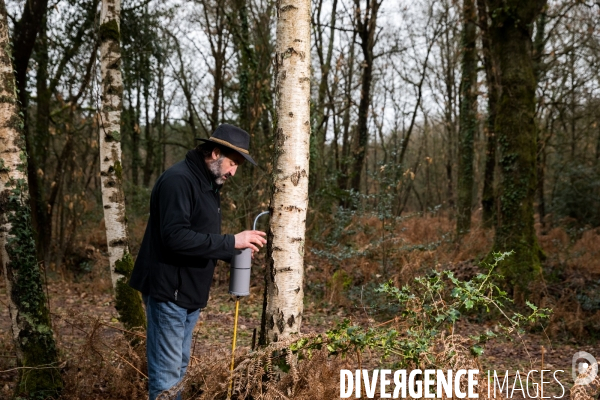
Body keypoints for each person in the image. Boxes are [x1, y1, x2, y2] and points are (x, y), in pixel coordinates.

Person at [129, 124, 267, 400]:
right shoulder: (178, 181)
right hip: (169, 292)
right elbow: (175, 237)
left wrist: (233, 251)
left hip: (189, 294)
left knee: (178, 369)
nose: (233, 172)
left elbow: (200, 237)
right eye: (232, 162)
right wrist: (230, 242)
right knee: (167, 378)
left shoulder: (208, 184)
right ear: (215, 153)